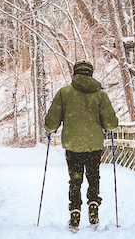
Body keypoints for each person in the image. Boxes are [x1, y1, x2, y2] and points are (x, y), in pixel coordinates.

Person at [44, 60, 119, 228]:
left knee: (75, 179)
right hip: (94, 145)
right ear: (90, 73)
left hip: (72, 145)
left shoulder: (64, 93)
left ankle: (75, 211)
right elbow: (110, 124)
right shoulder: (100, 95)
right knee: (93, 176)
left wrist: (49, 128)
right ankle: (93, 204)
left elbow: (52, 121)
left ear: (75, 73)